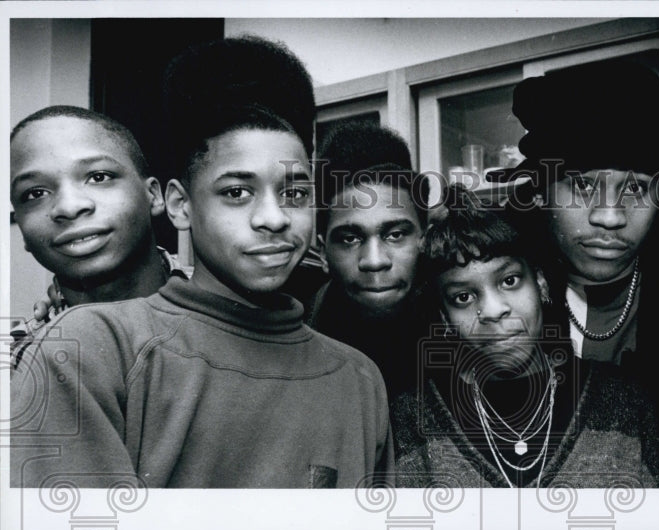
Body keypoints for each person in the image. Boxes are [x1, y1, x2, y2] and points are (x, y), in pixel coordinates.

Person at [10, 35, 392, 488]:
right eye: (236, 191)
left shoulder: (359, 376)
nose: (272, 218)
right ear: (178, 202)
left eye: (294, 192)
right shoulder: (88, 346)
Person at [391, 185, 659, 488]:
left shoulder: (622, 401)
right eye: (463, 297)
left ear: (540, 283)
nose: (493, 310)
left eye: (509, 281)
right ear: (444, 317)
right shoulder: (413, 417)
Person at [489, 60, 659, 370]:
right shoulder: (496, 297)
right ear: (540, 193)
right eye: (583, 185)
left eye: (635, 188)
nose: (610, 218)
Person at [8, 106, 187, 361]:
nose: (69, 207)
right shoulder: (17, 363)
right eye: (35, 193)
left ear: (154, 195)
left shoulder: (234, 309)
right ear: (21, 228)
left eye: (98, 177)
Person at [307, 122, 429, 398]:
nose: (374, 261)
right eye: (350, 239)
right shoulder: (289, 343)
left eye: (395, 235)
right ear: (323, 252)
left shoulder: (466, 326)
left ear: (425, 239)